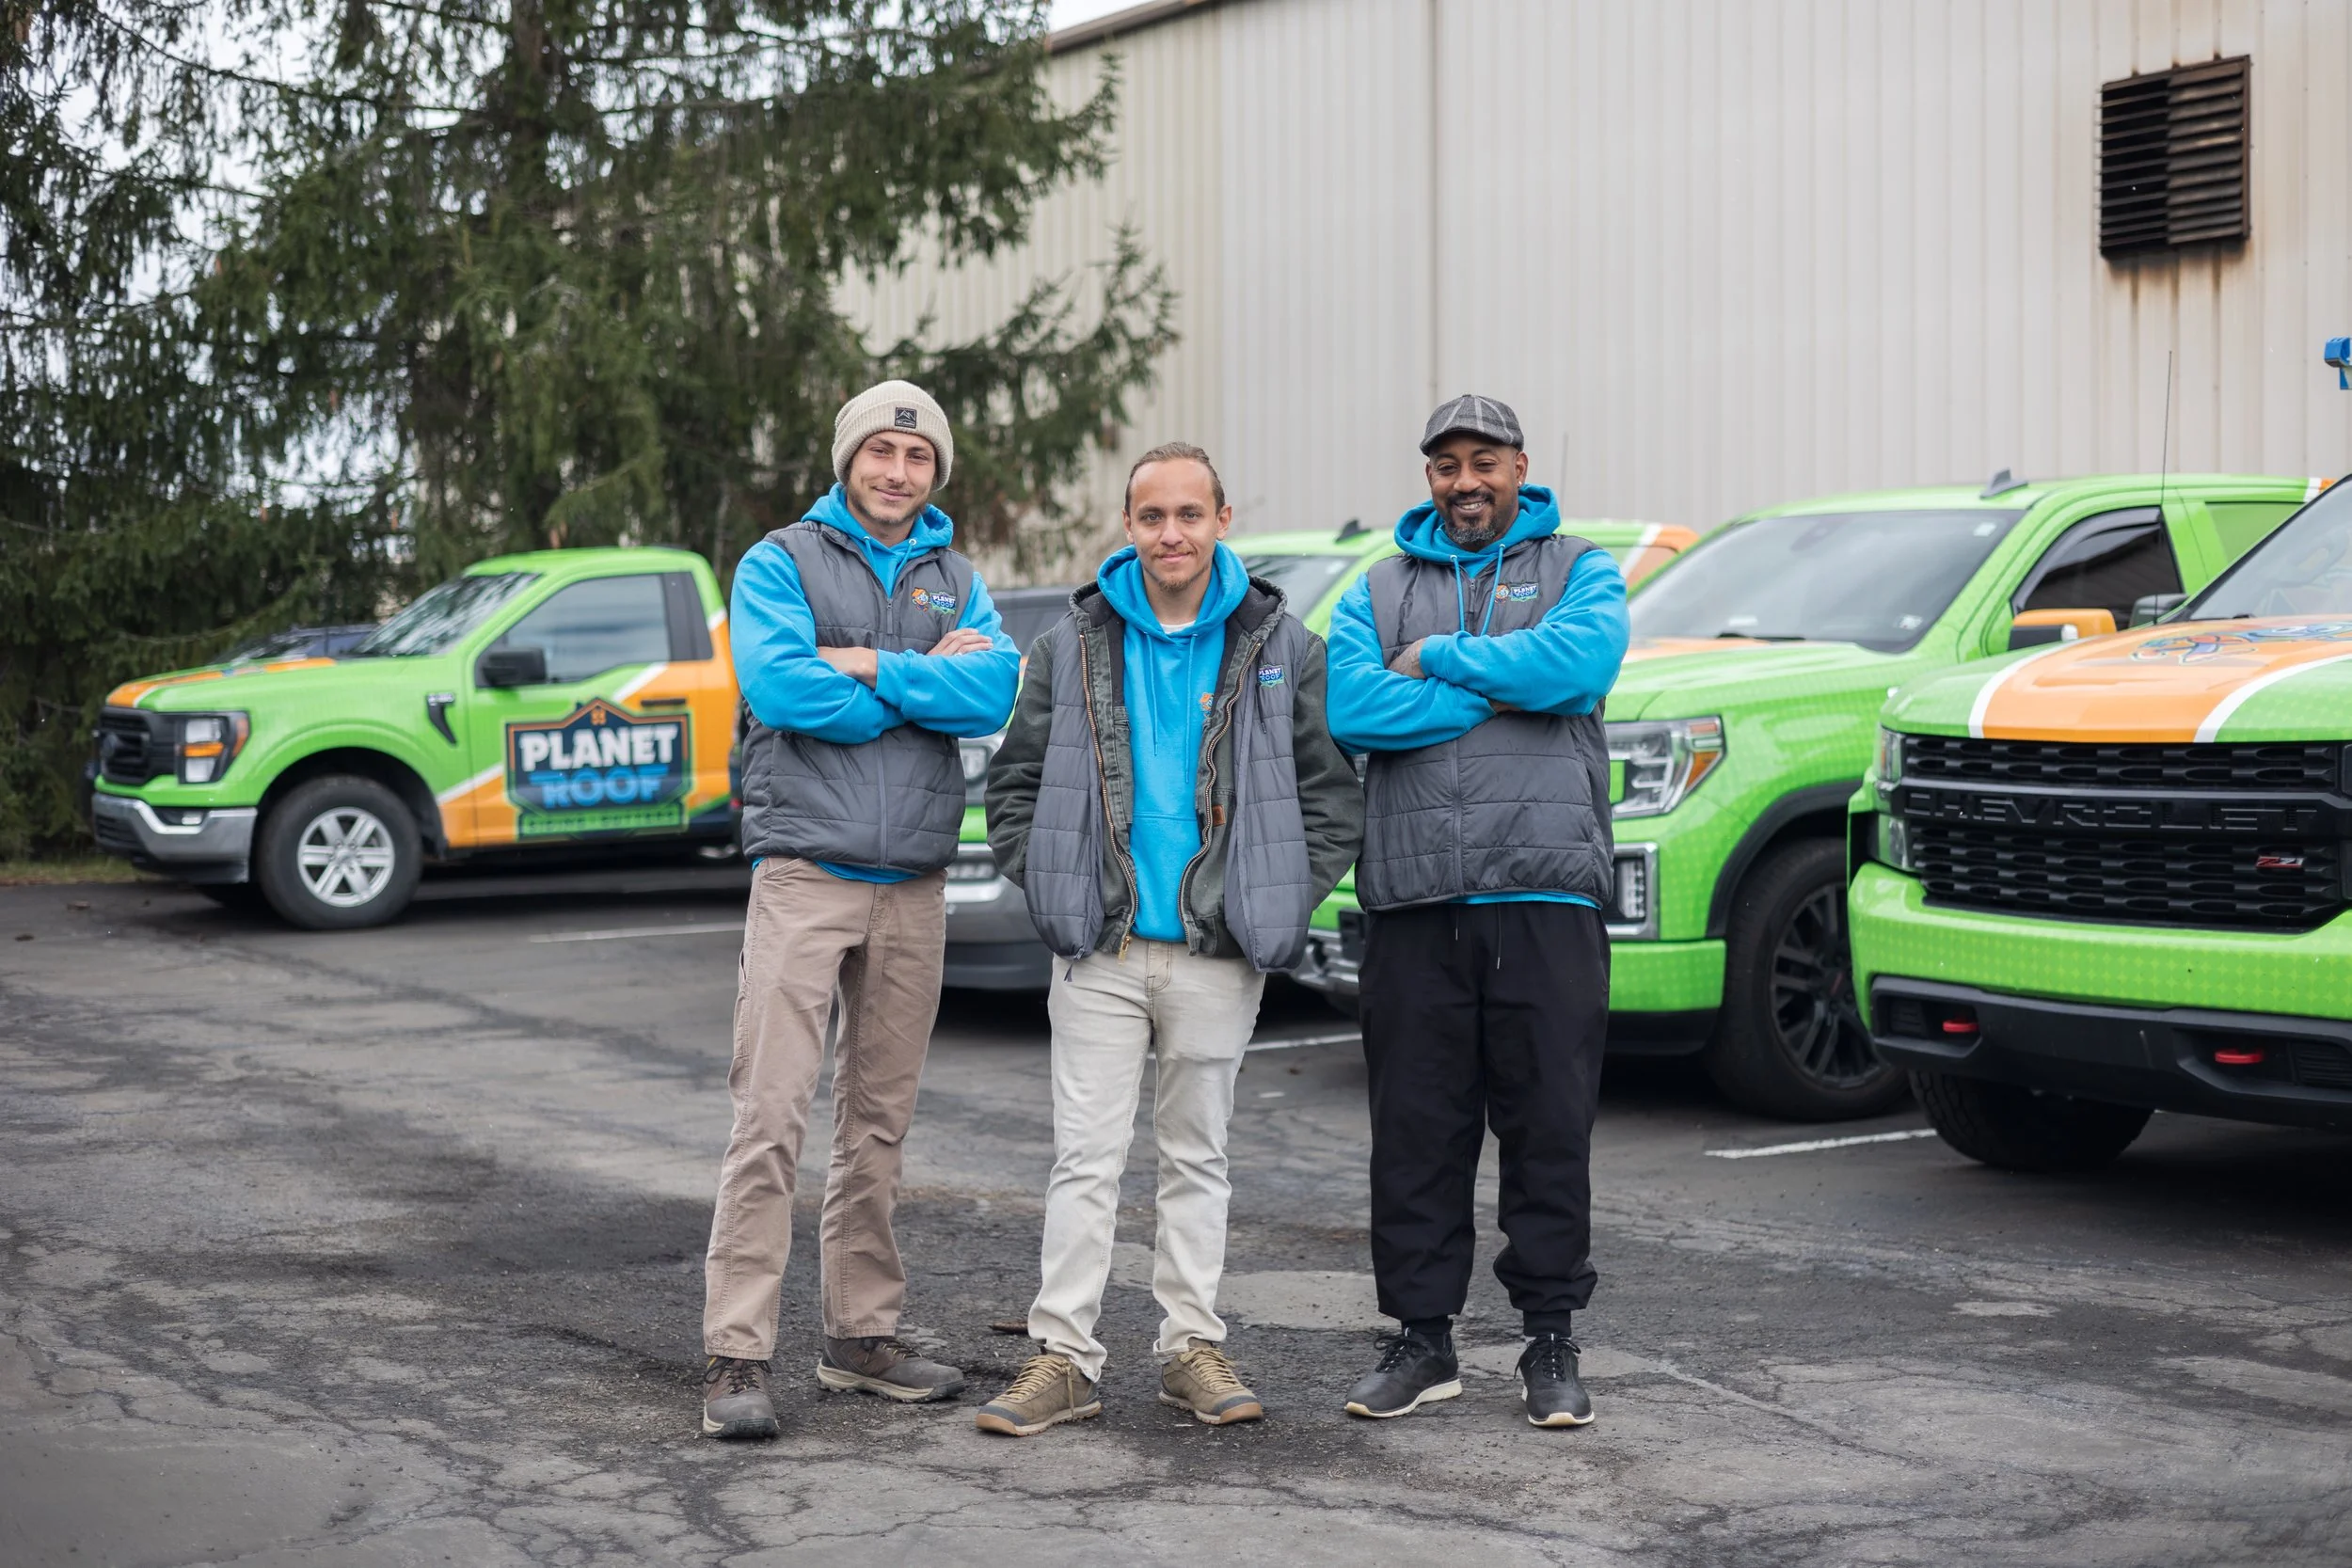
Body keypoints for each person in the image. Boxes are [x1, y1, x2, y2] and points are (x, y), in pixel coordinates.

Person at [974, 442, 1363, 1436]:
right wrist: (1051, 881)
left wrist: (1272, 897)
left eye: (1190, 514)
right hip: (1098, 949)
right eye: (1152, 516)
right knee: (1085, 1158)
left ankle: (1190, 1345)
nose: (1171, 533)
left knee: (1197, 1156)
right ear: (1128, 524)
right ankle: (1064, 1356)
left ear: (1223, 520)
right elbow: (1014, 783)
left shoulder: (1285, 646)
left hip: (1216, 951)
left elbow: (1330, 796)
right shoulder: (1069, 644)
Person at [700, 380, 1020, 1439]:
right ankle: (737, 1353)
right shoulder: (780, 562)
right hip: (806, 871)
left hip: (913, 880)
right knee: (771, 1116)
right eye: (881, 449)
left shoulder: (956, 578)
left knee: (878, 1123)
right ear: (848, 459)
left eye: (918, 456)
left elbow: (992, 694)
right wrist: (924, 681)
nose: (898, 470)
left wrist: (874, 663)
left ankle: (859, 1337)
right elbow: (785, 692)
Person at [1324, 395, 1629, 1430]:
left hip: (1545, 891)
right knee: (1417, 1131)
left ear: (1519, 468)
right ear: (1429, 476)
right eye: (1447, 464)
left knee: (1549, 1126)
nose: (1465, 481)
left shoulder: (1580, 566)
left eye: (1483, 461)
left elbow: (1578, 666)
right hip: (1415, 898)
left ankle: (1550, 1338)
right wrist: (1504, 686)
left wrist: (1441, 658)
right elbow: (1353, 706)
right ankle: (1423, 1340)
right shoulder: (1377, 586)